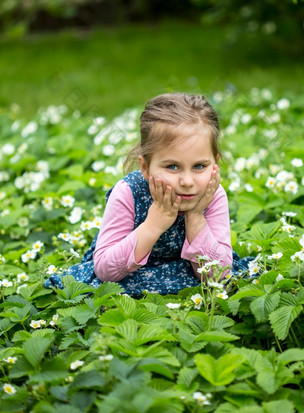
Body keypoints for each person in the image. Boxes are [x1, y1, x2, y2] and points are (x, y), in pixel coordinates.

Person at [44, 93, 252, 296]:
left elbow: (218, 276)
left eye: (199, 166)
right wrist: (153, 224)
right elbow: (105, 271)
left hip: (188, 277)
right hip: (131, 277)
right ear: (145, 167)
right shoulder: (129, 192)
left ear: (214, 162)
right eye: (172, 166)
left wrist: (196, 216)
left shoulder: (211, 194)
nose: (187, 182)